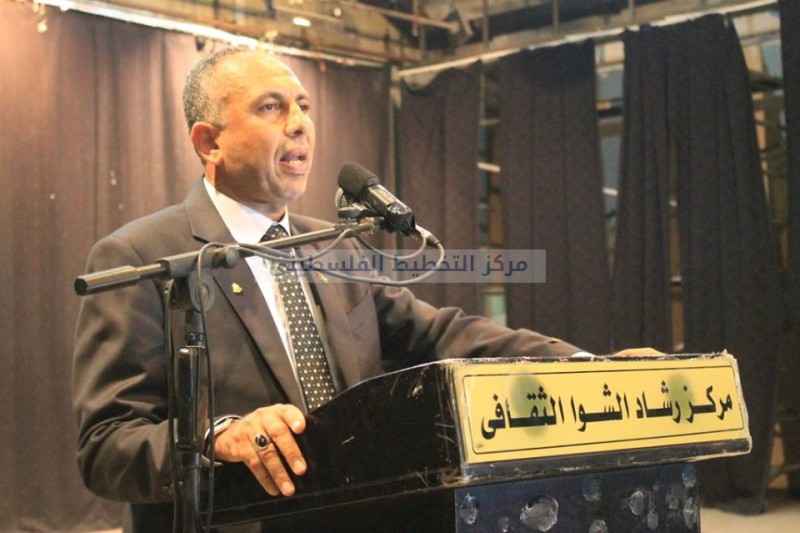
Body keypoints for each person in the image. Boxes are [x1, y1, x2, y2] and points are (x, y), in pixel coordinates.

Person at [72, 48, 587, 531]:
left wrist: (586, 367)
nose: (299, 123)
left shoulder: (336, 247)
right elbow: (106, 446)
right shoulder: (142, 258)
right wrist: (213, 440)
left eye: (303, 106)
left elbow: (440, 334)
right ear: (210, 143)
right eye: (270, 107)